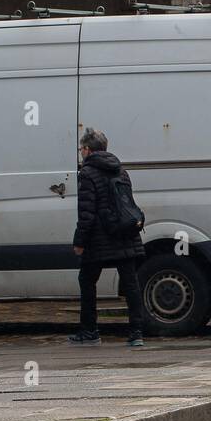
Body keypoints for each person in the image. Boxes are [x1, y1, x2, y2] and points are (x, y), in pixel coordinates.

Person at [71, 128, 147, 346]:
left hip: (99, 239)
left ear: (87, 149)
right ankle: (136, 334)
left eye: (80, 149)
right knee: (131, 283)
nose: (80, 153)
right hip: (125, 233)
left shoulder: (87, 174)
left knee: (86, 281)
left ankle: (89, 332)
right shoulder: (121, 171)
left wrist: (79, 242)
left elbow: (86, 213)